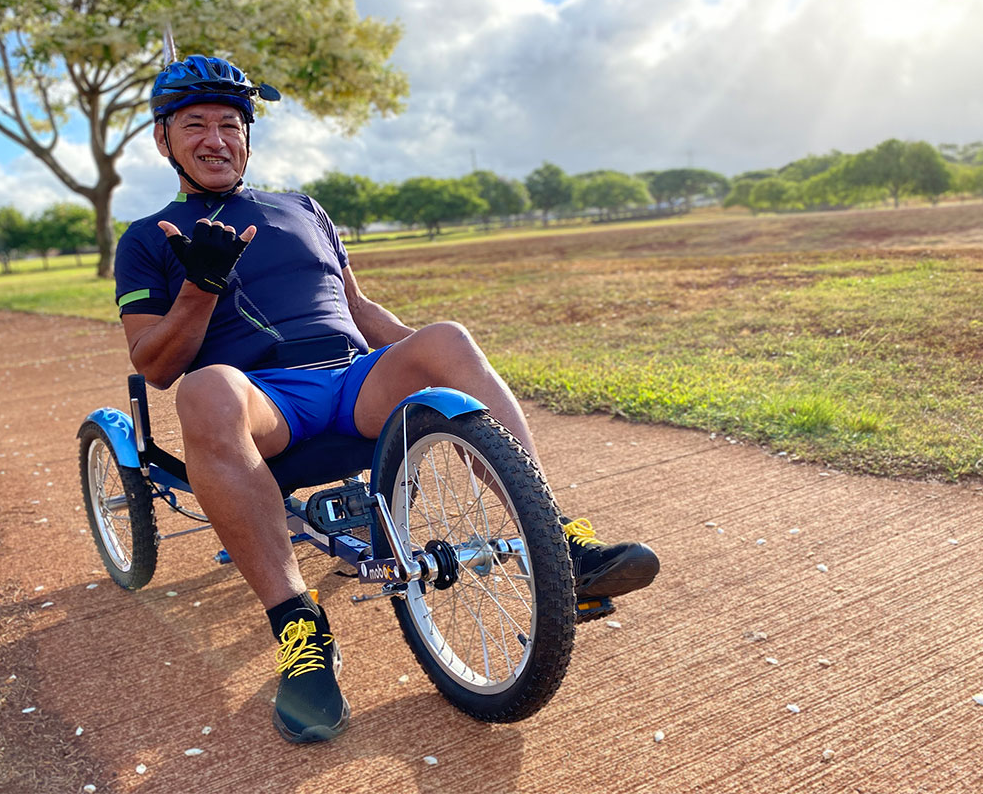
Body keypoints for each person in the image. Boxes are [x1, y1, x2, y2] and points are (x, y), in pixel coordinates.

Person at [114, 55, 659, 743]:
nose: (215, 139)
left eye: (230, 124)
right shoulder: (146, 238)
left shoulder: (302, 208)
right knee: (205, 388)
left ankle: (555, 542)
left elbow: (360, 308)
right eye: (195, 125)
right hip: (263, 402)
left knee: (447, 337)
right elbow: (154, 365)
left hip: (353, 379)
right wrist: (200, 287)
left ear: (248, 138)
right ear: (164, 140)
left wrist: (434, 354)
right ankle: (300, 631)